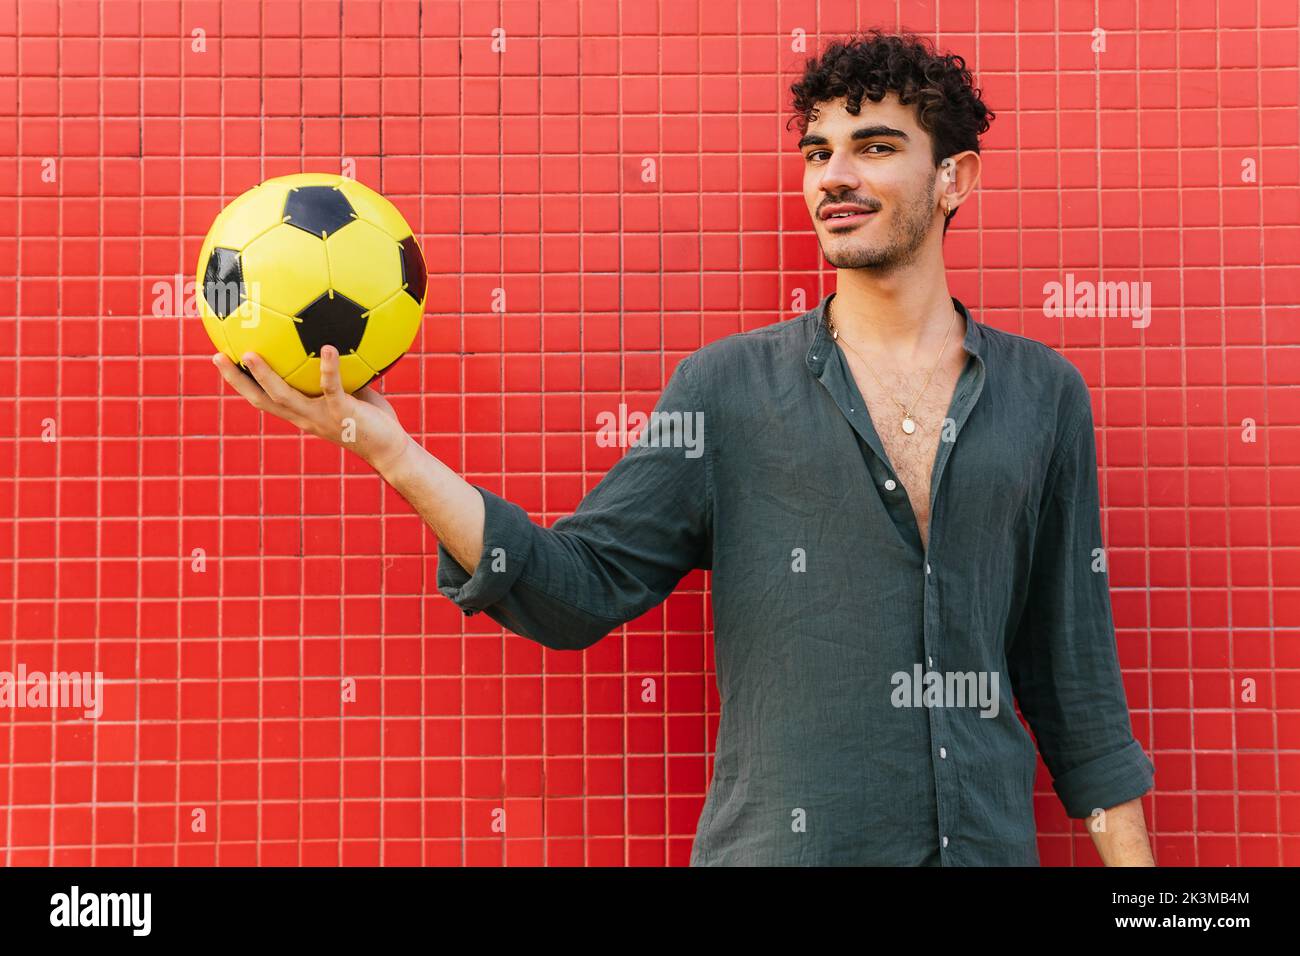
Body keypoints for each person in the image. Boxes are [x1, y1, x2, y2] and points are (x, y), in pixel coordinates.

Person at [213, 28, 1155, 866]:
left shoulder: (1044, 395)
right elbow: (579, 587)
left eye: (876, 148)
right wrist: (392, 453)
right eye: (819, 151)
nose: (836, 176)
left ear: (955, 178)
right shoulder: (724, 390)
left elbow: (1076, 686)